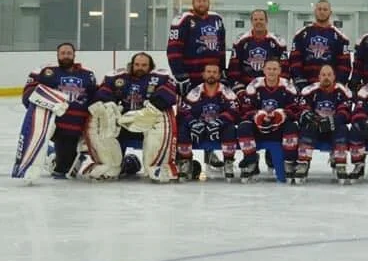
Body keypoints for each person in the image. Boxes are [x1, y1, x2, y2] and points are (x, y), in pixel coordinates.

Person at [76, 53, 178, 182]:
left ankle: (157, 166)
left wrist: (149, 110)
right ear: (132, 64)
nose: (140, 68)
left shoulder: (161, 78)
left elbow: (169, 94)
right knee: (102, 114)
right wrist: (111, 108)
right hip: (122, 124)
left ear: (150, 66)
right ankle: (108, 165)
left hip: (147, 124)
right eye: (137, 64)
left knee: (162, 114)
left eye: (144, 65)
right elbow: (102, 94)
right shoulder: (118, 78)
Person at [12, 43, 98, 180]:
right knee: (61, 170)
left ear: (74, 55)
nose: (66, 56)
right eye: (63, 53)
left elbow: (94, 96)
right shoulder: (46, 72)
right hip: (54, 123)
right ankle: (50, 154)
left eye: (69, 53)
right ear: (57, 55)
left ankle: (52, 155)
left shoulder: (87, 75)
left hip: (76, 125)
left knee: (65, 168)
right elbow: (29, 93)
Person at [235, 59, 299, 182]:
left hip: (279, 128)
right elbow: (245, 110)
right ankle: (251, 160)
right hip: (259, 127)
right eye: (269, 69)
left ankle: (289, 162)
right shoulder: (254, 85)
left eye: (275, 69)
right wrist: (258, 116)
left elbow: (295, 110)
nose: (271, 72)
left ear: (280, 71)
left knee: (292, 127)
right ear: (264, 70)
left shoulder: (288, 86)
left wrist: (281, 114)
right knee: (243, 127)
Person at [292, 64, 354, 184]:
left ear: (334, 77)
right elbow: (303, 107)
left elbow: (345, 112)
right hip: (316, 126)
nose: (326, 77)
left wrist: (332, 121)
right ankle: (303, 163)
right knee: (306, 127)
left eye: (329, 75)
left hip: (334, 128)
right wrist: (310, 117)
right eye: (323, 75)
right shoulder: (309, 90)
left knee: (342, 129)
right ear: (319, 77)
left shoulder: (343, 91)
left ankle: (340, 164)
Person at [176, 64, 240, 181]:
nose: (211, 74)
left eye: (215, 72)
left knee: (230, 128)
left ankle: (228, 162)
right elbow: (183, 111)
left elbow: (234, 110)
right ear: (203, 74)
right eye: (209, 72)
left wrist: (219, 122)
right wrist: (193, 123)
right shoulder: (196, 91)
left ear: (219, 75)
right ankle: (186, 161)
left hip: (219, 128)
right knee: (182, 128)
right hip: (200, 127)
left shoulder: (226, 91)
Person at [167, 0, 226, 95]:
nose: (201, 4)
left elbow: (221, 48)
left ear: (209, 3)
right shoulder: (183, 19)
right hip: (191, 77)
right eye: (198, 1)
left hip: (212, 77)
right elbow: (173, 49)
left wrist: (221, 70)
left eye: (204, 1)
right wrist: (179, 74)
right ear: (193, 3)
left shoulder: (217, 19)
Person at [289, 0, 351, 88]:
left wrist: (338, 83)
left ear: (330, 12)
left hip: (330, 87)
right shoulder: (301, 34)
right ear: (315, 11)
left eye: (325, 9)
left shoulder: (340, 37)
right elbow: (295, 60)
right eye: (319, 9)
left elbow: (344, 64)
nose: (322, 12)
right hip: (306, 85)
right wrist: (299, 80)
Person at [227, 9, 288, 90]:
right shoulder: (240, 41)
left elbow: (284, 68)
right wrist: (238, 87)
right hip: (245, 86)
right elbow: (234, 66)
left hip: (270, 87)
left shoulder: (278, 41)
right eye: (255, 19)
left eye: (261, 19)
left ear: (266, 21)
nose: (258, 22)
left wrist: (280, 87)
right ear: (251, 21)